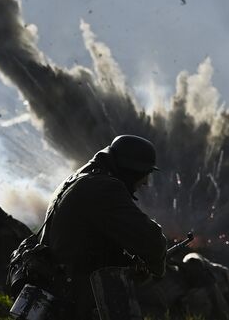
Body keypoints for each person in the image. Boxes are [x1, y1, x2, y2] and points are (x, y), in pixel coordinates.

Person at [42, 135, 167, 320]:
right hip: (78, 296)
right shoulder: (104, 187)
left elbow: (87, 239)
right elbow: (152, 241)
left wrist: (127, 264)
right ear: (132, 171)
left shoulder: (81, 178)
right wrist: (156, 267)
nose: (146, 182)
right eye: (145, 174)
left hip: (59, 287)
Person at [137, 252, 229, 319]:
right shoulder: (223, 273)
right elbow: (195, 257)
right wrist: (198, 265)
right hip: (175, 275)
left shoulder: (225, 309)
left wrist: (210, 287)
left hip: (174, 298)